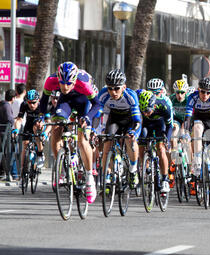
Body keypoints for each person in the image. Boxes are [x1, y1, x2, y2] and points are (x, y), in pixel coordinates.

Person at [40, 61, 101, 204]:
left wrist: (87, 117)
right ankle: (61, 167)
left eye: (68, 83)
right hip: (66, 102)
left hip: (84, 102)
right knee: (56, 128)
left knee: (81, 140)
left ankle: (89, 178)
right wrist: (42, 117)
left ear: (74, 80)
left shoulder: (83, 82)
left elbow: (97, 104)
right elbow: (43, 101)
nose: (65, 86)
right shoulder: (51, 81)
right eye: (62, 83)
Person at [98, 69, 141, 188]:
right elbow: (99, 113)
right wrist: (97, 129)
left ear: (124, 87)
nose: (113, 92)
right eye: (110, 88)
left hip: (129, 120)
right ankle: (108, 173)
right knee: (107, 143)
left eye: (117, 88)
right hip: (114, 119)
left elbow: (137, 120)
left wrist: (134, 132)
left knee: (130, 140)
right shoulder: (103, 95)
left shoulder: (131, 96)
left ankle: (133, 170)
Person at [184, 77, 210, 201]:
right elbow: (188, 117)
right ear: (198, 90)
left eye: (208, 92)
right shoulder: (192, 97)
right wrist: (186, 131)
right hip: (199, 119)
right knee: (196, 128)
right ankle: (197, 158)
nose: (205, 95)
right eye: (203, 92)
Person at [138, 90, 172, 193]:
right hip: (145, 125)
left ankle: (165, 179)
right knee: (141, 143)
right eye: (143, 111)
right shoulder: (140, 108)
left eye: (148, 111)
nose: (146, 113)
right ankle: (145, 169)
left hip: (159, 125)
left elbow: (169, 126)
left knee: (161, 149)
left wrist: (167, 139)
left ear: (154, 106)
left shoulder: (163, 106)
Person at [0, 89, 16, 180]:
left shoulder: (1, 104)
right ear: (13, 98)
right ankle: (8, 173)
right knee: (8, 152)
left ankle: (3, 172)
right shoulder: (7, 106)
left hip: (2, 132)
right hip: (5, 132)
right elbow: (9, 119)